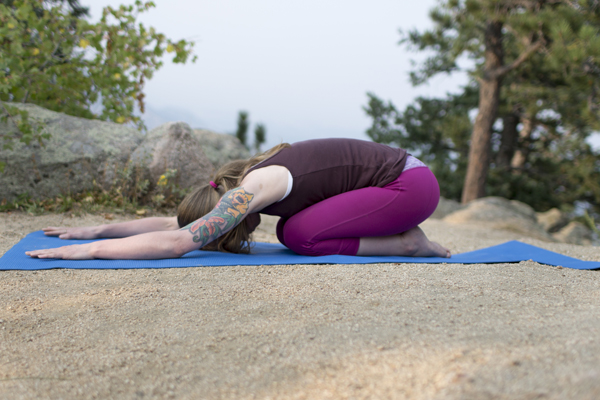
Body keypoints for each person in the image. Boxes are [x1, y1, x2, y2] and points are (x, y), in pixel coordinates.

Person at [26, 138, 451, 260]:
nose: (227, 234)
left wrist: (93, 250)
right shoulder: (241, 189)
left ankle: (409, 243)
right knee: (293, 230)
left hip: (409, 187)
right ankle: (402, 234)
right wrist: (100, 228)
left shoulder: (251, 191)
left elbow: (178, 243)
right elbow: (176, 227)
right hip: (399, 180)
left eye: (219, 232)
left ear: (221, 209)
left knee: (299, 235)